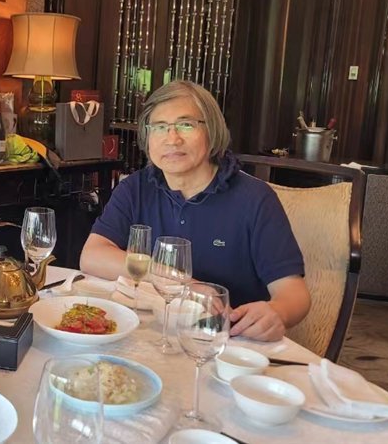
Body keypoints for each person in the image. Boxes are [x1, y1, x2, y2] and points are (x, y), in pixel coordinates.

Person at [80, 80, 310, 341]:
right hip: (151, 334)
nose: (172, 139)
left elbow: (294, 292)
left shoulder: (255, 199)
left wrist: (278, 312)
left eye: (186, 125)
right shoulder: (135, 189)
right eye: (160, 127)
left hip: (228, 342)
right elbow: (92, 256)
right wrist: (184, 284)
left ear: (212, 131)